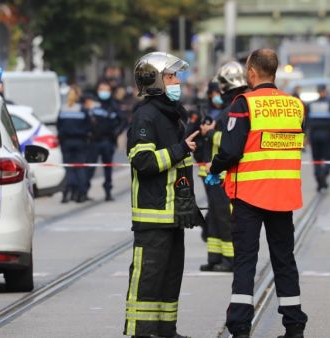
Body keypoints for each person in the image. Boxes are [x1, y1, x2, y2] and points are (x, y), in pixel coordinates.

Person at [208, 49, 307, 338]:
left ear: (251, 73)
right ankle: (294, 325)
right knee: (284, 260)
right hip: (283, 195)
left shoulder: (243, 104)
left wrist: (215, 168)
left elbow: (230, 150)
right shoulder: (295, 106)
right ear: (274, 71)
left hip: (249, 195)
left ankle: (239, 327)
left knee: (246, 261)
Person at [124, 51, 204, 338]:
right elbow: (143, 162)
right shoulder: (146, 116)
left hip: (173, 214)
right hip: (153, 215)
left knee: (170, 279)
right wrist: (180, 149)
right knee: (147, 280)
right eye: (171, 76)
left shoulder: (171, 116)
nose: (177, 81)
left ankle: (166, 330)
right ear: (155, 81)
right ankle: (141, 332)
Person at [199, 61, 249, 272]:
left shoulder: (234, 108)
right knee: (215, 217)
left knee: (224, 217)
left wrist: (210, 134)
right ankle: (215, 256)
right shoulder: (229, 108)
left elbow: (233, 141)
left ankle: (229, 260)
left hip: (223, 173)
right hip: (215, 173)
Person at [84, 82, 124, 201]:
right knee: (90, 166)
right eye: (101, 89)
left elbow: (123, 121)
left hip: (108, 140)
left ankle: (108, 191)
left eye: (106, 89)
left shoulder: (114, 105)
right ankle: (84, 192)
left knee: (108, 168)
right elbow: (85, 118)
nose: (103, 92)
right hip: (94, 141)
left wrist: (116, 133)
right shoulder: (93, 104)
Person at [56, 85, 90, 203]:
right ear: (77, 96)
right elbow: (88, 127)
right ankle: (81, 194)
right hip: (80, 142)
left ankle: (66, 193)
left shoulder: (62, 110)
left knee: (68, 169)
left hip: (66, 142)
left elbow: (59, 127)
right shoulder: (82, 110)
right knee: (80, 168)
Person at [306, 84, 330, 191]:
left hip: (314, 135)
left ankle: (320, 181)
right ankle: (323, 175)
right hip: (328, 135)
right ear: (325, 91)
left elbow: (306, 122)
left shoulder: (311, 105)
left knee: (316, 160)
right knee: (329, 159)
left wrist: (306, 136)